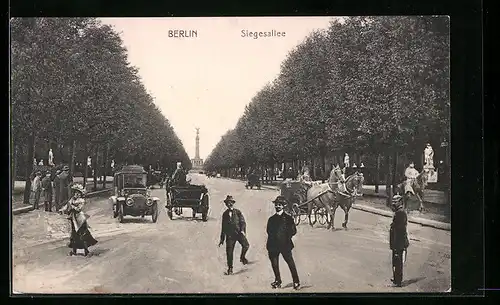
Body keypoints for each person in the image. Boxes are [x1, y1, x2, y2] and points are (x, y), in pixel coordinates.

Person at [266, 196, 300, 290]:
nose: (277, 206)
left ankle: (296, 281)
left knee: (290, 263)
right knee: (275, 264)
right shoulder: (271, 219)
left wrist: (285, 237)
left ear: (283, 206)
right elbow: (268, 231)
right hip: (273, 245)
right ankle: (278, 281)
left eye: (279, 205)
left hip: (285, 245)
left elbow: (293, 231)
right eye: (276, 205)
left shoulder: (288, 218)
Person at [60, 183, 98, 256]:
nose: (77, 194)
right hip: (73, 219)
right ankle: (74, 250)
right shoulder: (72, 199)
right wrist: (63, 209)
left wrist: (72, 207)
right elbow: (67, 205)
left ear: (80, 194)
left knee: (82, 234)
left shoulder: (81, 200)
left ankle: (86, 251)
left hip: (80, 219)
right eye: (75, 193)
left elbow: (79, 209)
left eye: (78, 193)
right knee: (74, 235)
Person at [218, 195, 249, 275]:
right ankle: (230, 268)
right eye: (228, 203)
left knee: (246, 246)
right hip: (230, 235)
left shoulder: (238, 212)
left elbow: (242, 222)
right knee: (229, 252)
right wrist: (222, 239)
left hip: (239, 233)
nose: (229, 204)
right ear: (226, 204)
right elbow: (223, 227)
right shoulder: (225, 214)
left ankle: (242, 257)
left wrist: (242, 230)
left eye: (231, 202)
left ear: (233, 203)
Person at [389, 194, 409, 287]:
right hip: (397, 242)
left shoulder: (400, 213)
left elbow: (400, 231)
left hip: (399, 243)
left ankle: (398, 281)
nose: (393, 203)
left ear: (400, 202)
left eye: (395, 202)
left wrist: (396, 245)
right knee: (395, 261)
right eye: (393, 201)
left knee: (398, 261)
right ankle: (396, 278)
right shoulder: (399, 212)